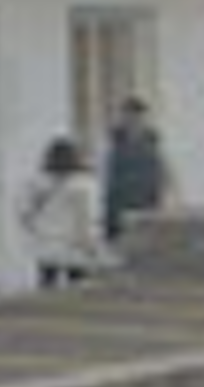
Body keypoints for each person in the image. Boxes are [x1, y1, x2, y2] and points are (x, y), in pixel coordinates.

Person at [20, 138, 107, 289]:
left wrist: (39, 231)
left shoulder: (37, 182)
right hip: (73, 247)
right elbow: (84, 219)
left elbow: (25, 215)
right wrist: (91, 248)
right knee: (78, 291)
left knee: (46, 288)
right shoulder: (83, 183)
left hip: (46, 245)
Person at [101, 98, 170, 242]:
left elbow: (160, 173)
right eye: (129, 116)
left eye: (138, 117)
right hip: (118, 208)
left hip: (147, 207)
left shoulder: (153, 142)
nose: (134, 121)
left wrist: (160, 202)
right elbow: (107, 177)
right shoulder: (113, 143)